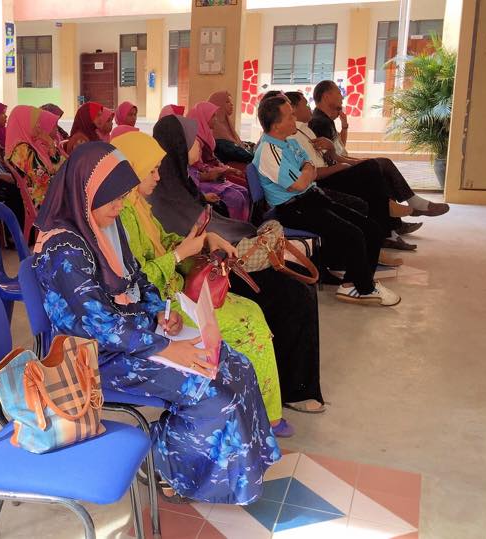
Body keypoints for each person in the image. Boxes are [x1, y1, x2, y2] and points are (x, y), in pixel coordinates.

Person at [32, 141, 279, 503]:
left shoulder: (104, 225)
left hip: (133, 336)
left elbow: (137, 279)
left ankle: (237, 470)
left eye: (122, 198)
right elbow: (99, 325)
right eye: (112, 200)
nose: (119, 207)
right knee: (208, 389)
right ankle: (166, 466)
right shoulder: (63, 248)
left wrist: (161, 313)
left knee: (235, 364)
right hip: (94, 356)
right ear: (85, 194)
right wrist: (165, 348)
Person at [112, 132, 295, 435]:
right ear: (131, 170)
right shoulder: (121, 214)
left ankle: (255, 407)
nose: (158, 177)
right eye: (151, 170)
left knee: (252, 312)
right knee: (248, 323)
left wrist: (204, 239)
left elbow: (163, 242)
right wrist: (182, 253)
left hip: (173, 290)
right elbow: (135, 281)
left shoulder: (138, 206)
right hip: (159, 308)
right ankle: (265, 416)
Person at [255, 95, 399, 306]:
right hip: (292, 209)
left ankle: (353, 284)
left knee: (372, 229)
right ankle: (364, 288)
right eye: (290, 116)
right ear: (276, 125)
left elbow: (310, 168)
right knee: (353, 234)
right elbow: (300, 183)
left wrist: (307, 170)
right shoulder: (268, 151)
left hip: (311, 198)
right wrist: (307, 171)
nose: (295, 118)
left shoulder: (290, 142)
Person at [308, 80, 449, 245]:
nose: (342, 97)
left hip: (341, 167)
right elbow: (331, 159)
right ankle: (403, 215)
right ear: (326, 96)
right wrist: (358, 163)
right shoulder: (319, 122)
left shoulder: (326, 120)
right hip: (335, 175)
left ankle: (394, 225)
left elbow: (339, 150)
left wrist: (345, 128)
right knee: (379, 165)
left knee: (380, 168)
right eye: (338, 93)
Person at [286, 91, 418, 260]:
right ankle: (389, 219)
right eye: (305, 104)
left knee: (373, 173)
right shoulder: (304, 130)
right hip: (322, 181)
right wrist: (342, 166)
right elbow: (313, 173)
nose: (309, 107)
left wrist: (334, 148)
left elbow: (332, 155)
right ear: (293, 109)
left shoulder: (307, 129)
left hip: (329, 171)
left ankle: (385, 229)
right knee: (372, 170)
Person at [150, 114, 256, 243]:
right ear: (180, 144)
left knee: (246, 229)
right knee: (247, 233)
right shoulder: (165, 185)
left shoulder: (177, 176)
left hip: (202, 232)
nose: (199, 145)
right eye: (193, 138)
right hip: (193, 243)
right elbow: (189, 228)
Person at [187, 102, 251, 220]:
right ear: (203, 117)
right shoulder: (192, 140)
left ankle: (242, 224)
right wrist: (216, 173)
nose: (216, 120)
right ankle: (234, 227)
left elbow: (209, 161)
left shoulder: (206, 134)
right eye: (213, 116)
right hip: (199, 181)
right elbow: (192, 171)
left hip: (209, 175)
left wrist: (224, 170)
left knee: (244, 191)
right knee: (236, 197)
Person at [5, 104, 63, 206]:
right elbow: (43, 178)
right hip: (41, 201)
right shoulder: (22, 150)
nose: (39, 126)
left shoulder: (32, 145)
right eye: (36, 122)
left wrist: (50, 144)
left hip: (45, 195)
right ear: (25, 123)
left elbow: (59, 167)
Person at [208, 91, 255, 164]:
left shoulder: (226, 124)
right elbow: (233, 149)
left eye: (231, 102)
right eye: (227, 102)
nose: (232, 104)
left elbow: (235, 143)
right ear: (218, 105)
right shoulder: (216, 129)